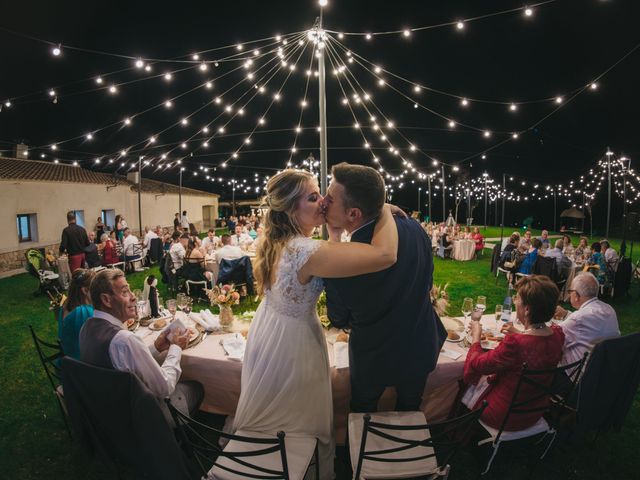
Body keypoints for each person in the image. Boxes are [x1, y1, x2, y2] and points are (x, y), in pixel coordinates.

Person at [232, 168, 399, 480]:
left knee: (276, 412)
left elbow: (327, 252)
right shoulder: (306, 251)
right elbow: (385, 254)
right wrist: (384, 207)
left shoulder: (282, 242)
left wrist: (333, 236)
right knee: (298, 417)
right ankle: (294, 466)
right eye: (312, 197)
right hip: (295, 346)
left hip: (270, 333)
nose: (323, 201)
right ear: (292, 210)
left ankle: (274, 465)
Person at [323, 162, 446, 414]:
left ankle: (361, 453)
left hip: (374, 356)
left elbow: (338, 318)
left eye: (330, 198)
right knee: (410, 408)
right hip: (420, 343)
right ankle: (405, 451)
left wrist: (333, 240)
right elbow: (428, 280)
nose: (323, 201)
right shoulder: (413, 226)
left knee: (362, 412)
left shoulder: (344, 256)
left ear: (354, 214)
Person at [79, 269, 203, 419]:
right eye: (125, 292)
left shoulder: (86, 328)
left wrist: (156, 348)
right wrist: (176, 348)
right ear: (106, 300)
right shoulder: (124, 340)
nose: (133, 297)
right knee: (197, 386)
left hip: (109, 411)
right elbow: (165, 387)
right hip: (142, 416)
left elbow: (125, 363)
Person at [463, 275, 565, 431]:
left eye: (517, 299)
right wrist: (519, 332)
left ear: (527, 309)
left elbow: (478, 365)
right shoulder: (558, 335)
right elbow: (535, 347)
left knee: (466, 383)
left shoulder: (516, 343)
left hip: (502, 415)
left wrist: (476, 335)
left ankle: (455, 422)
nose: (515, 302)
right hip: (535, 410)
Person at [555, 272, 620, 366]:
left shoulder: (578, 318)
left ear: (576, 296)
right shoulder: (609, 309)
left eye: (570, 292)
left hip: (578, 375)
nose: (569, 295)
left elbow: (553, 336)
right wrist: (566, 314)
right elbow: (587, 324)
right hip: (605, 369)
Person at [58, 268, 96, 359]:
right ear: (85, 291)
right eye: (95, 288)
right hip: (82, 365)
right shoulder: (84, 312)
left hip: (68, 358)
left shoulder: (65, 306)